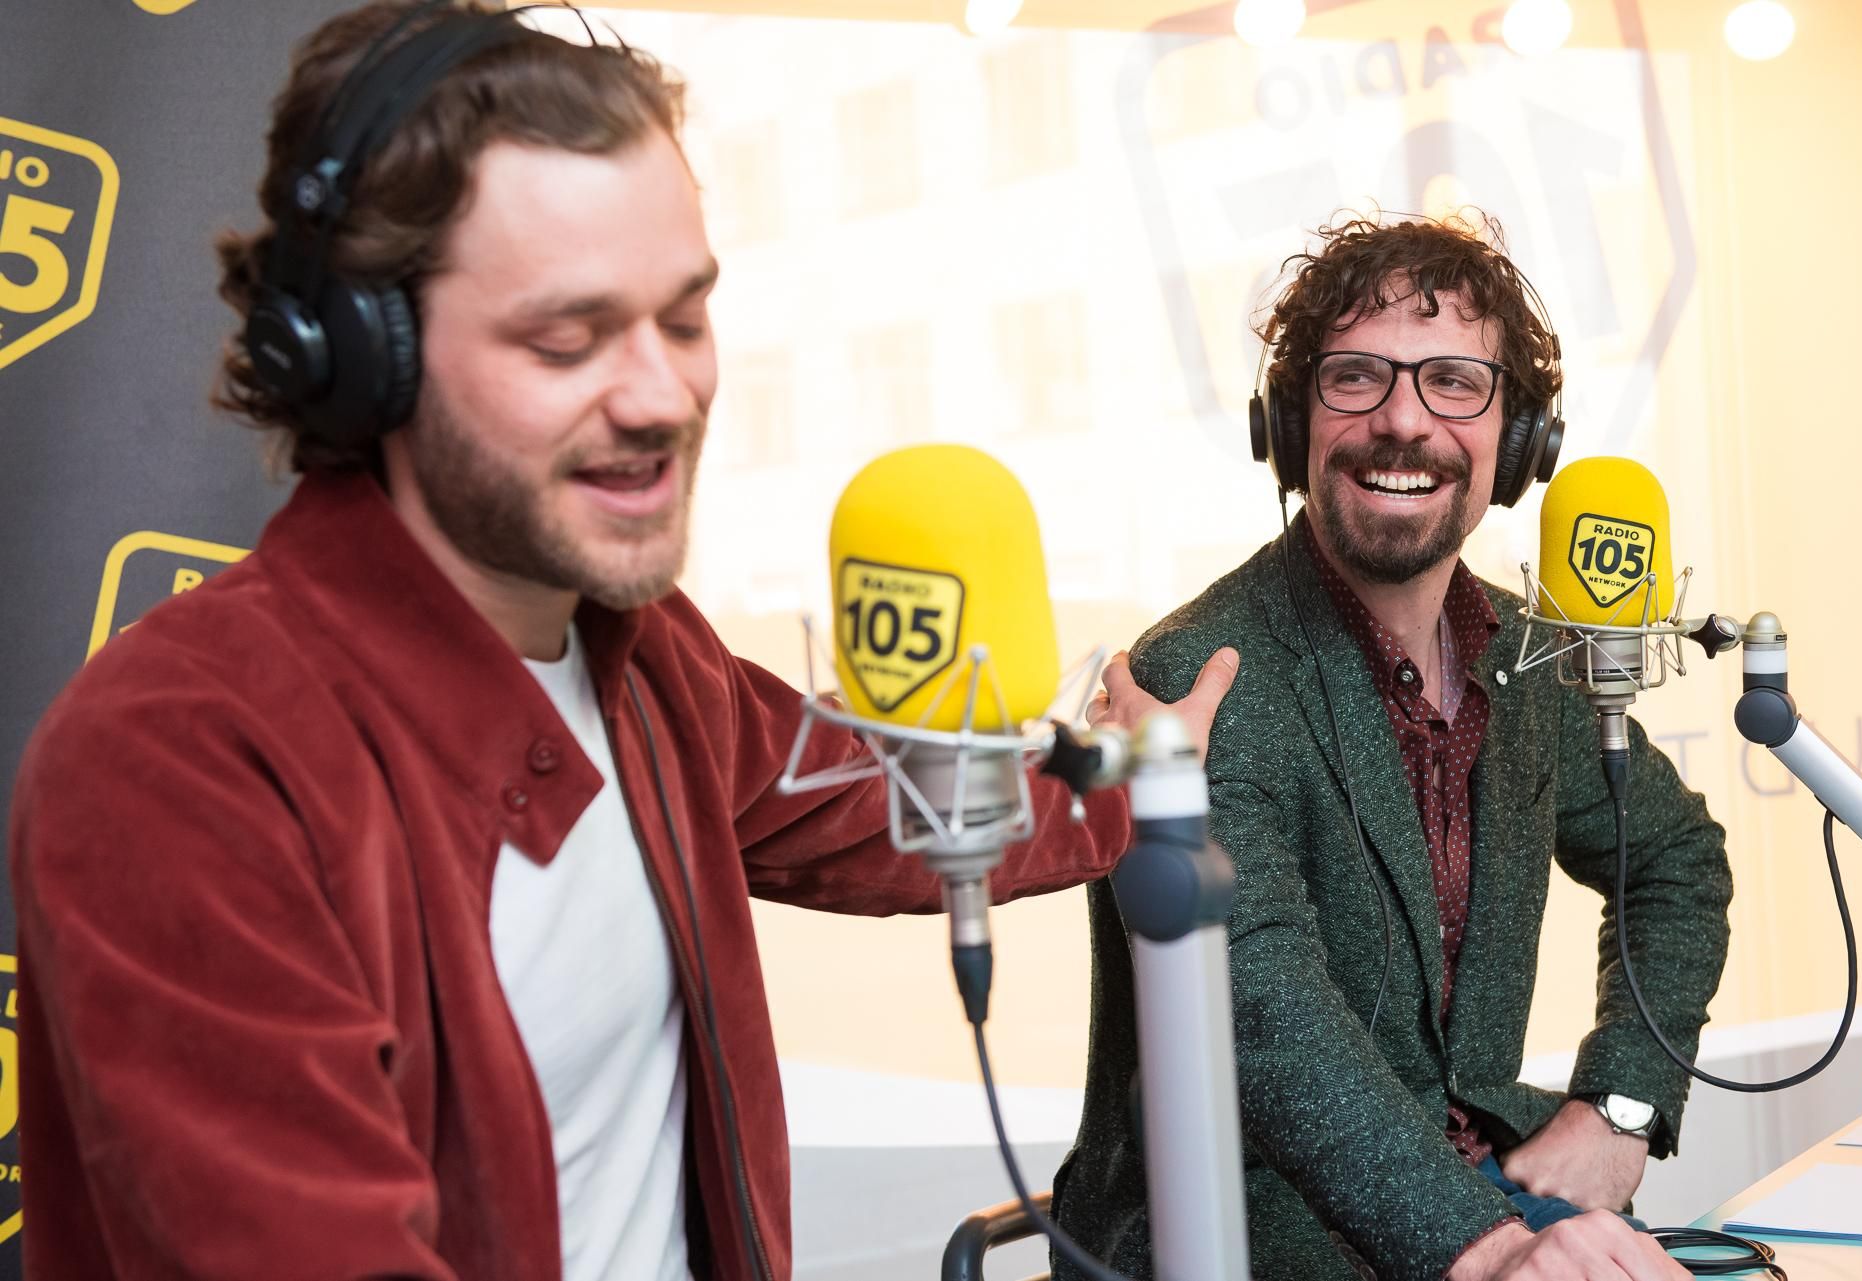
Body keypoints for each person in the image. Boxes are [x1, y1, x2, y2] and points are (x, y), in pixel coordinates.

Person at [5, 5, 1237, 1279]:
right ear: (368, 359)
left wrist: (1127, 774)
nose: (662, 397)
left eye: (684, 320)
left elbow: (874, 802)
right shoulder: (179, 763)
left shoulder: (648, 659)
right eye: (568, 338)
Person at [1056, 215, 1733, 1281]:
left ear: (1519, 443)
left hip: (1482, 1191)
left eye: (1454, 382)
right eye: (1356, 377)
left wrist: (1621, 1104)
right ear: (1293, 423)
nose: (1403, 421)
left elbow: (1675, 858)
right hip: (1252, 1235)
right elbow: (1264, 1012)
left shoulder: (1525, 655)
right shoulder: (1198, 676)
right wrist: (1494, 1250)